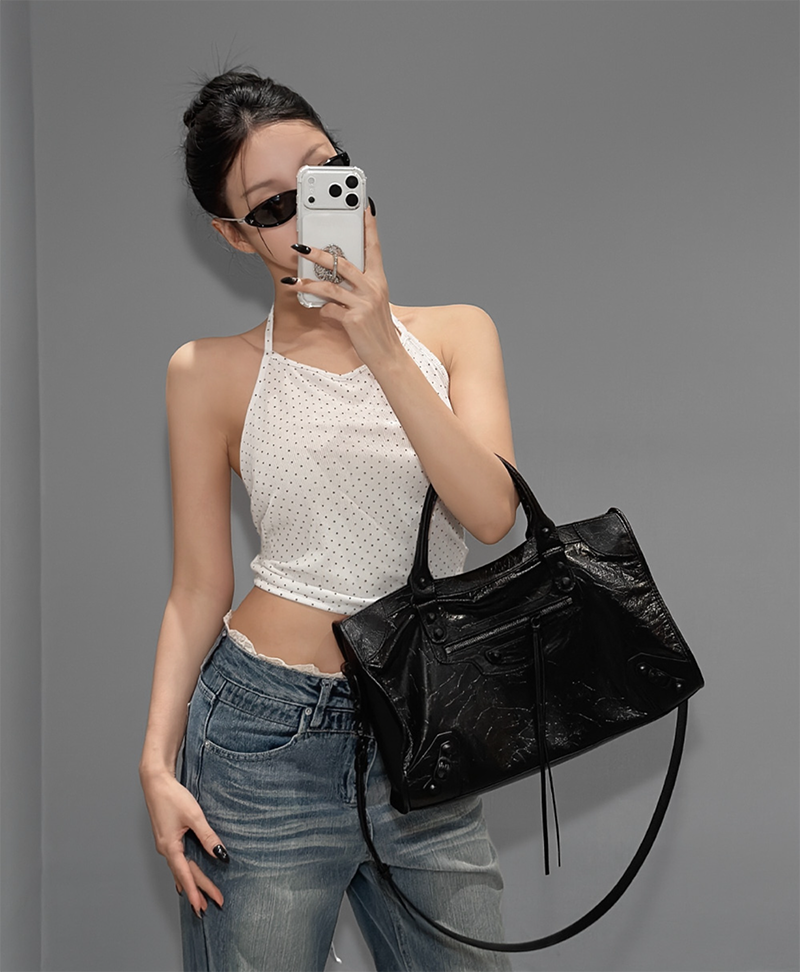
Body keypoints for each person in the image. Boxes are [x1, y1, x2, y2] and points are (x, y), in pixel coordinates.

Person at [139, 68, 519, 972]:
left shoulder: (456, 334)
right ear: (234, 236)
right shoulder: (206, 372)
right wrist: (156, 763)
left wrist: (379, 338)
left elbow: (491, 513)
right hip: (264, 738)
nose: (310, 214)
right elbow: (197, 588)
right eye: (274, 207)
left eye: (324, 175)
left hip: (425, 726)